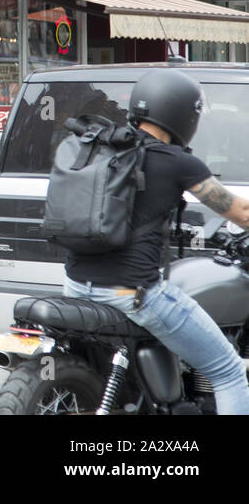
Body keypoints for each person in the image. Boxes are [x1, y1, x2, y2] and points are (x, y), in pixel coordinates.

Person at [64, 69, 249, 415]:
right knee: (228, 371)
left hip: (75, 284)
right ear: (184, 114)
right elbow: (241, 212)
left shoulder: (102, 146)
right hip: (133, 293)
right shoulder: (178, 162)